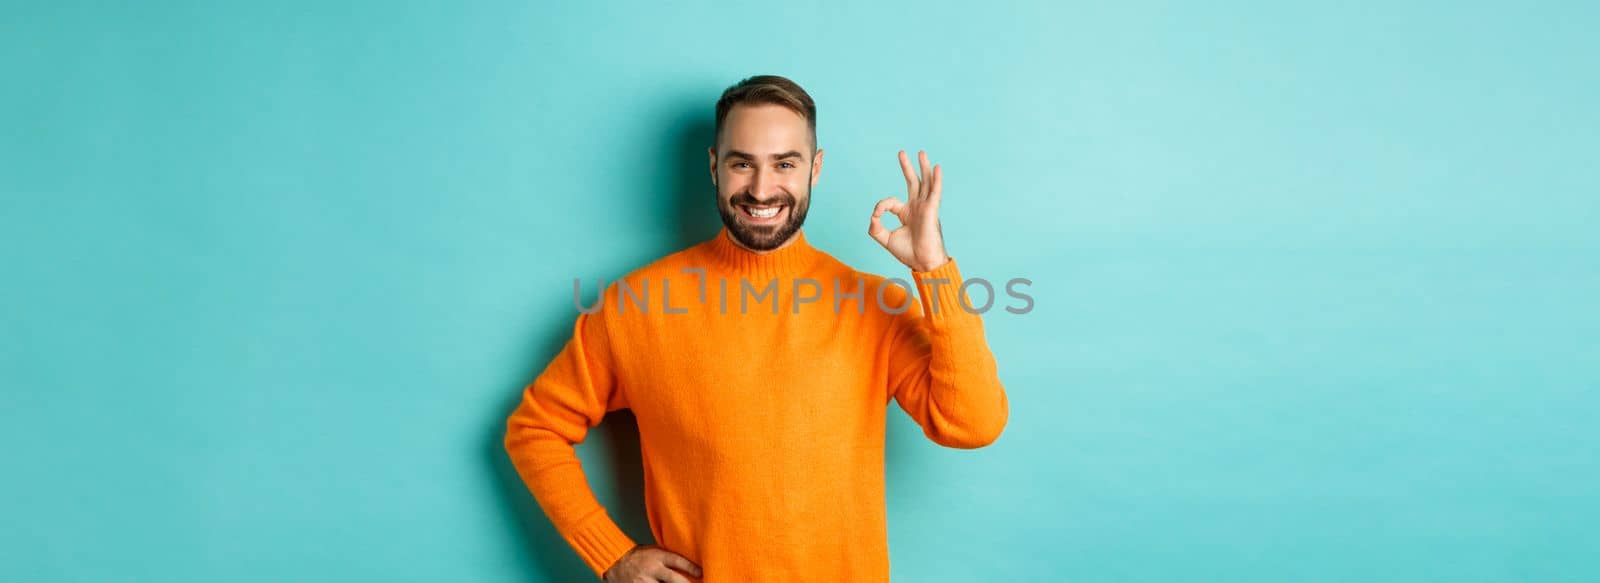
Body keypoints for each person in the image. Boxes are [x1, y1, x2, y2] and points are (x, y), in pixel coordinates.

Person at [504, 74, 1009, 582]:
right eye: (742, 163)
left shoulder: (875, 306)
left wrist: (934, 269)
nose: (762, 189)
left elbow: (972, 424)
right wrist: (610, 554)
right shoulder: (634, 306)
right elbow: (536, 429)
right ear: (713, 167)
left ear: (815, 168)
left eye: (784, 164)